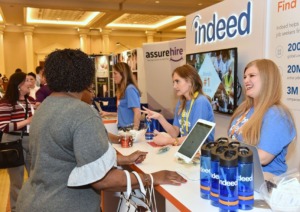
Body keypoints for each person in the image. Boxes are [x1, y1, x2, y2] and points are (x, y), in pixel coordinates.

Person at [16, 49, 186, 212]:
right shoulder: (82, 113)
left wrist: (123, 160)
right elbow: (103, 179)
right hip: (66, 205)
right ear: (84, 77)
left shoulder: (44, 108)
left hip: (33, 201)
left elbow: (67, 157)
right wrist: (153, 178)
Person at [228, 59, 296, 176]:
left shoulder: (277, 114)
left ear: (267, 79)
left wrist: (223, 157)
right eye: (244, 77)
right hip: (239, 177)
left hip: (264, 186)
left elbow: (263, 157)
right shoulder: (244, 109)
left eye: (252, 76)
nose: (246, 81)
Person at [142, 64, 215, 146]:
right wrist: (159, 117)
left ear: (190, 81)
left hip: (202, 154)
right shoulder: (181, 102)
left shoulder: (200, 102)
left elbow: (195, 139)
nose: (174, 86)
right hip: (186, 150)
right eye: (173, 82)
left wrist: (168, 141)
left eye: (177, 81)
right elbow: (175, 133)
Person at [0, 72, 35, 212]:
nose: (31, 83)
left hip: (31, 140)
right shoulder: (6, 103)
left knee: (35, 177)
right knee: (17, 181)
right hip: (12, 141)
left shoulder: (31, 100)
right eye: (27, 80)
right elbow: (3, 126)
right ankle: (16, 209)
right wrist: (26, 121)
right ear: (19, 85)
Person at [100, 62, 141, 131]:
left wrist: (134, 131)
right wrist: (108, 113)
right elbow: (124, 112)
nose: (113, 76)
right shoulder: (124, 90)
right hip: (123, 129)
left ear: (123, 74)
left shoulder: (129, 89)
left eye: (115, 73)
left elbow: (137, 112)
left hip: (129, 129)